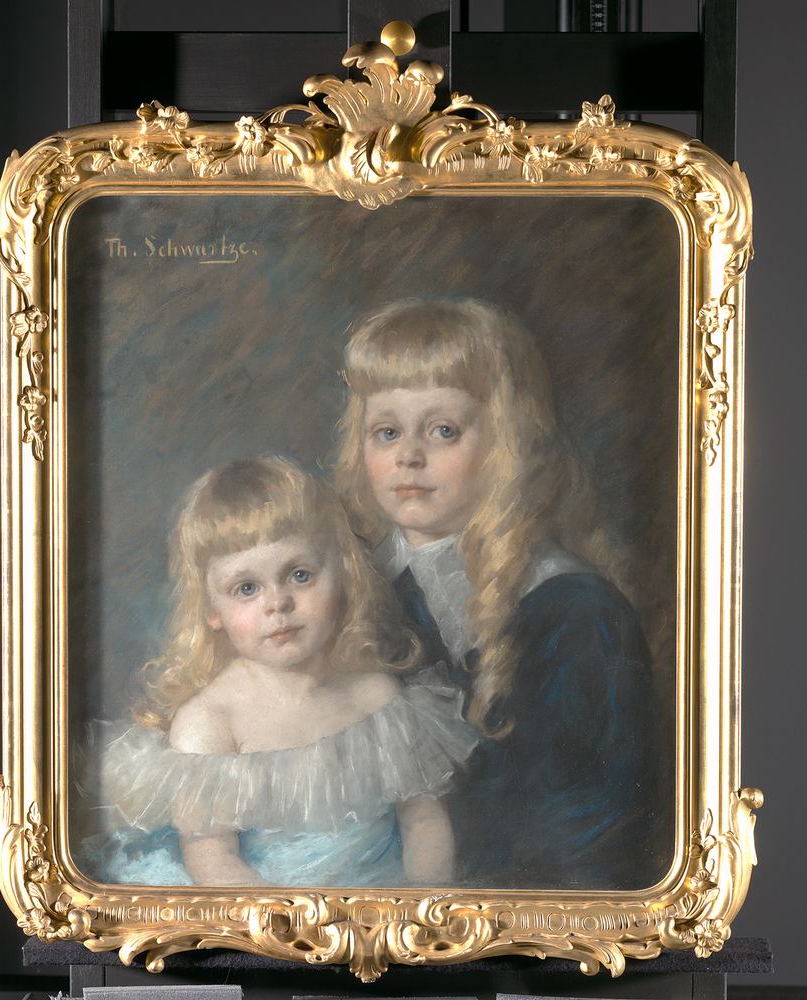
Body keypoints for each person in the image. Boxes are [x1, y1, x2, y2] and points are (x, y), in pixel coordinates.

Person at [333, 299, 674, 890]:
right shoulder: (350, 594)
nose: (408, 455)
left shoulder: (577, 612)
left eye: (444, 431)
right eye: (386, 432)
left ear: (506, 443)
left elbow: (597, 834)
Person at [86, 456, 477, 888]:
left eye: (300, 575)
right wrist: (289, 925)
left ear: (342, 576)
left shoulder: (377, 698)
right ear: (211, 609)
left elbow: (424, 823)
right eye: (246, 588)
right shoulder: (209, 723)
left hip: (382, 914)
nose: (277, 603)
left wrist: (417, 908)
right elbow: (213, 860)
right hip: (261, 916)